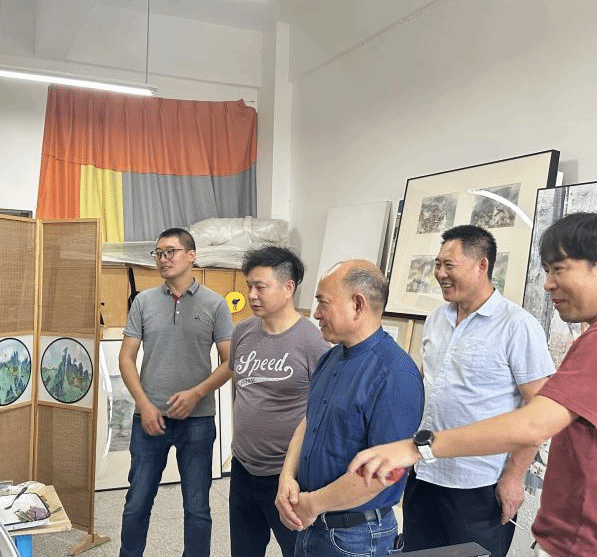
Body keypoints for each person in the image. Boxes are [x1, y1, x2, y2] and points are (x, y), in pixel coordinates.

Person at [349, 213, 597, 557]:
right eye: (546, 271)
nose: (548, 284)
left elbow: (534, 423)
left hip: (590, 544)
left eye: (559, 269)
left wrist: (419, 447)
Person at [403, 225, 554, 557]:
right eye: (437, 264)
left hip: (479, 485)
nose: (440, 274)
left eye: (449, 265)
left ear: (482, 265)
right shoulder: (436, 319)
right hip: (424, 474)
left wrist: (513, 477)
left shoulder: (517, 325)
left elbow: (540, 410)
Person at [274, 260, 425, 557]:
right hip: (312, 521)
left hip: (355, 538)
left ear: (357, 305)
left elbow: (384, 473)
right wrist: (287, 477)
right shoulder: (331, 358)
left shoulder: (396, 375)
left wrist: (313, 504)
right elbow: (309, 421)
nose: (316, 313)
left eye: (323, 303)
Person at [118, 227, 233, 557]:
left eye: (170, 251)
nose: (163, 259)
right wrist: (144, 405)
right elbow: (126, 358)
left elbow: (230, 361)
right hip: (148, 419)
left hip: (197, 421)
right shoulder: (143, 301)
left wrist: (196, 393)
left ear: (191, 256)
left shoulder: (215, 304)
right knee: (137, 503)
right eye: (158, 253)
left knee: (197, 507)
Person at [230, 246, 331, 557]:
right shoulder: (242, 331)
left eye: (260, 286)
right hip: (242, 468)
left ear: (288, 288)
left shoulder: (313, 342)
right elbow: (240, 388)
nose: (252, 295)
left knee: (297, 551)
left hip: (288, 475)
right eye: (249, 285)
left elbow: (322, 412)